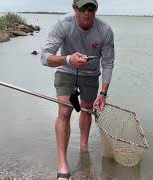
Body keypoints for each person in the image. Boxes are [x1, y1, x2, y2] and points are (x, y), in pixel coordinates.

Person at [40, 0, 115, 179]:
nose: (87, 12)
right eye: (82, 8)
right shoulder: (62, 25)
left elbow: (108, 63)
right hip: (66, 70)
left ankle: (84, 149)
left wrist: (103, 93)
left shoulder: (105, 30)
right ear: (74, 8)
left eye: (91, 8)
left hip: (91, 74)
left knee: (87, 110)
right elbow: (44, 57)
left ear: (96, 9)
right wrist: (68, 60)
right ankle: (62, 165)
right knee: (65, 112)